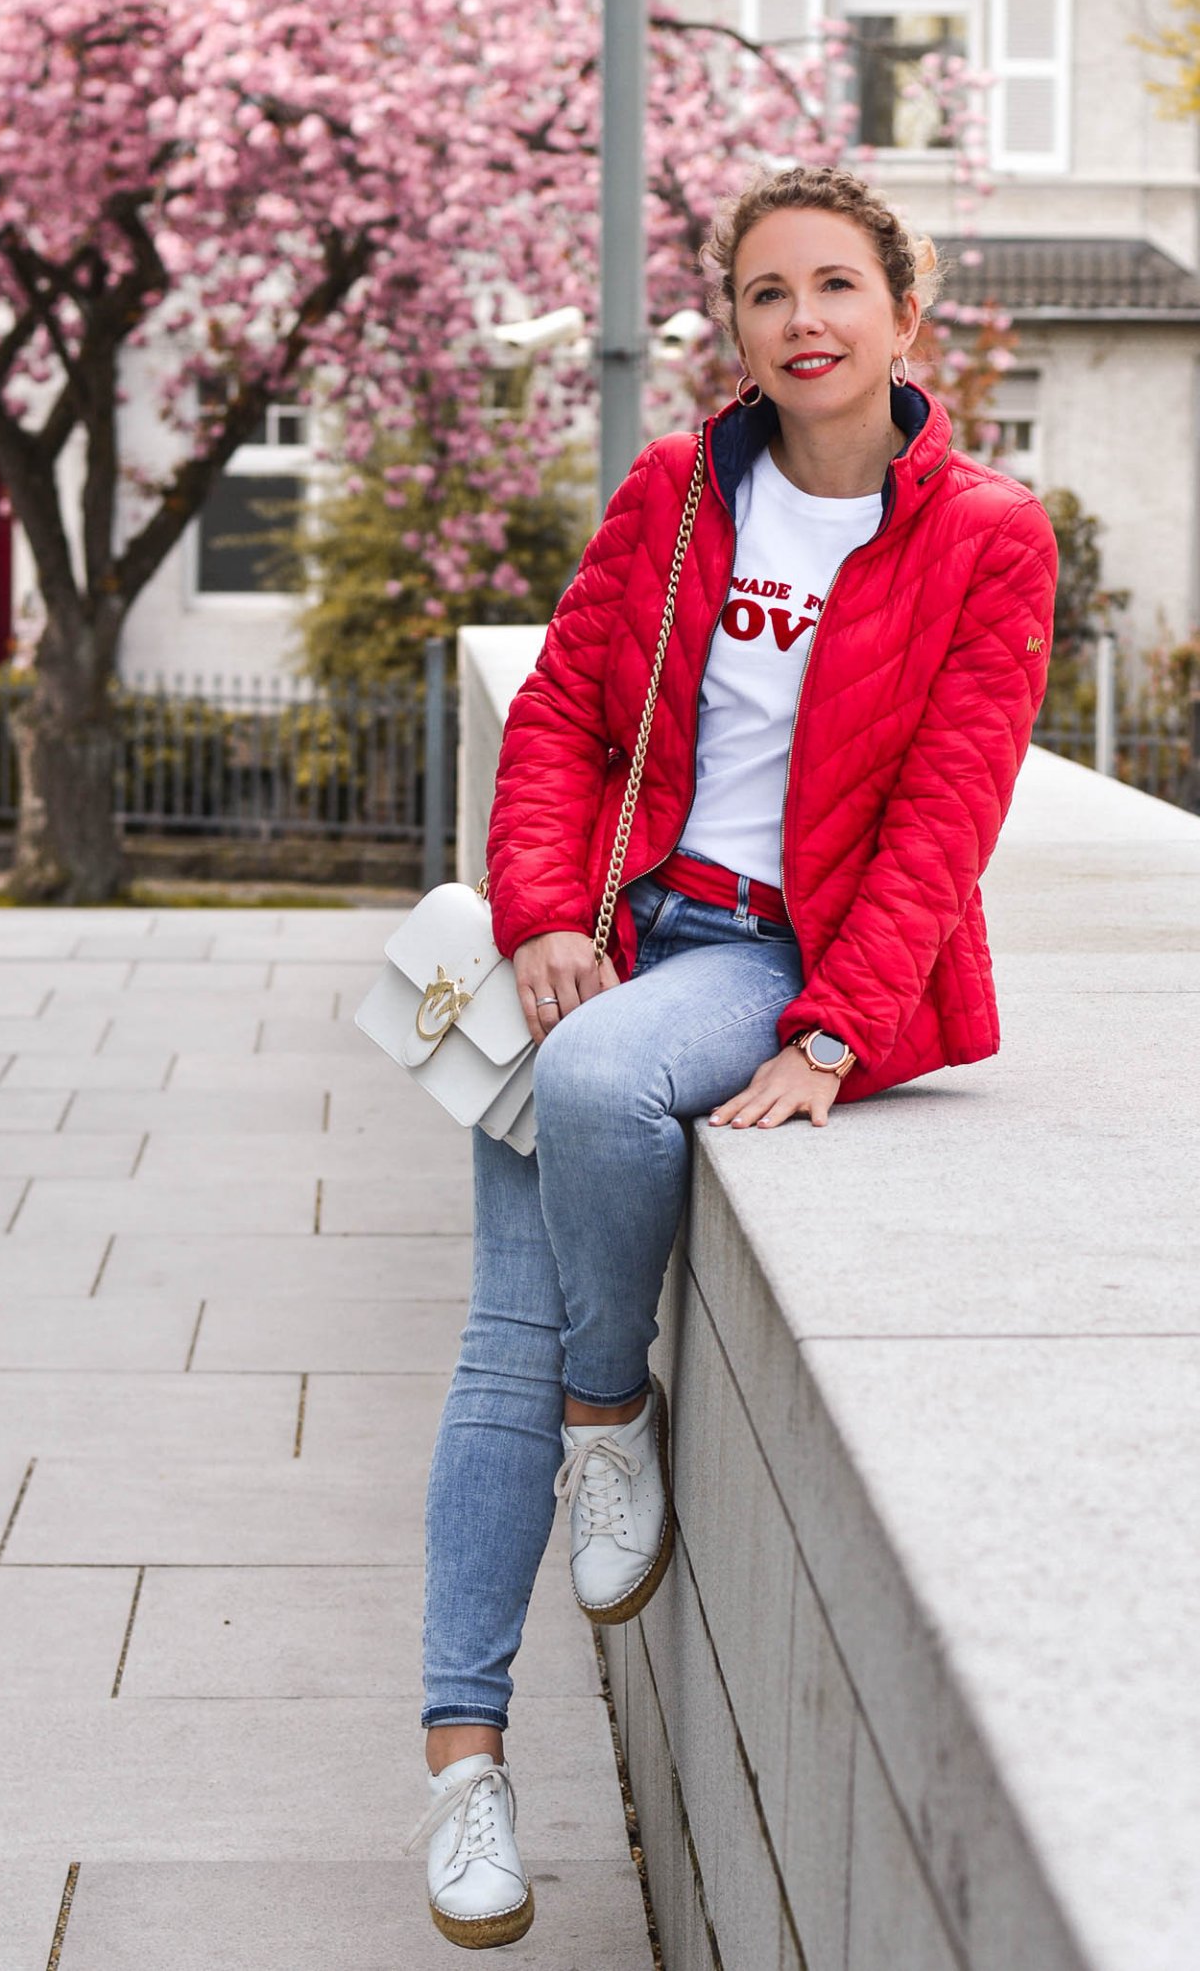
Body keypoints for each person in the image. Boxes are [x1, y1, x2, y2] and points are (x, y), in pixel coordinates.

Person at [406, 164, 1058, 1951]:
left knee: (607, 1091)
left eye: (838, 284)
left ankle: (614, 1409)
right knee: (494, 1336)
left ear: (905, 311)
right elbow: (560, 711)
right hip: (621, 924)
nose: (805, 321)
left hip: (775, 951)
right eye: (768, 293)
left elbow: (949, 809)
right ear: (738, 327)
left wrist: (839, 1023)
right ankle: (465, 1763)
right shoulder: (682, 495)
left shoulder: (987, 536)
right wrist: (542, 909)